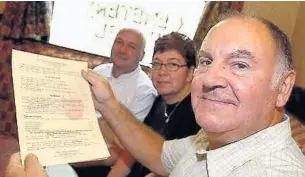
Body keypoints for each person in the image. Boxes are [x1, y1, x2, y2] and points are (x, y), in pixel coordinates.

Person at [6, 14, 305, 177]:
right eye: (207, 61)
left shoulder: (272, 171)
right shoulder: (214, 138)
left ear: (283, 87)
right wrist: (109, 103)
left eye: (240, 64)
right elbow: (161, 155)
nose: (212, 78)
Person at [107, 32, 201, 177]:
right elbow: (132, 151)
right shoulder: (159, 101)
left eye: (172, 65)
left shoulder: (197, 116)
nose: (162, 71)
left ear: (190, 73)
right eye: (157, 64)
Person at [73, 28, 158, 177]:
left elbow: (125, 148)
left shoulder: (144, 91)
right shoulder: (99, 71)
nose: (122, 49)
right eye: (119, 42)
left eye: (131, 46)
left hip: (100, 163)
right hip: (75, 142)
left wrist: (74, 159)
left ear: (142, 55)